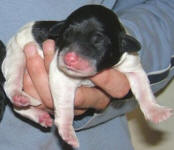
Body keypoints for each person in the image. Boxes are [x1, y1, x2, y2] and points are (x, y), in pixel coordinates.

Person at [0, 0, 174, 150]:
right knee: (13, 73)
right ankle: (19, 97)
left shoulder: (124, 51)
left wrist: (145, 102)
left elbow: (167, 9)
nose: (70, 57)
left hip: (94, 140)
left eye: (97, 41)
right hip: (27, 41)